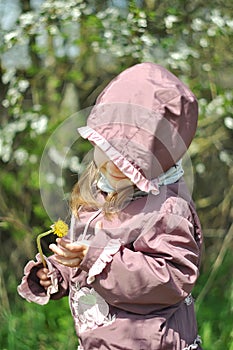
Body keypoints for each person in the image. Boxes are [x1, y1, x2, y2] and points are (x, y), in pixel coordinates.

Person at [18, 62, 203, 350]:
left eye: (126, 159)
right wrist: (57, 272)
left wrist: (97, 259)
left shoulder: (166, 208)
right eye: (106, 149)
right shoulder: (97, 195)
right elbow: (82, 257)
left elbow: (171, 278)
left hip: (150, 343)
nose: (112, 164)